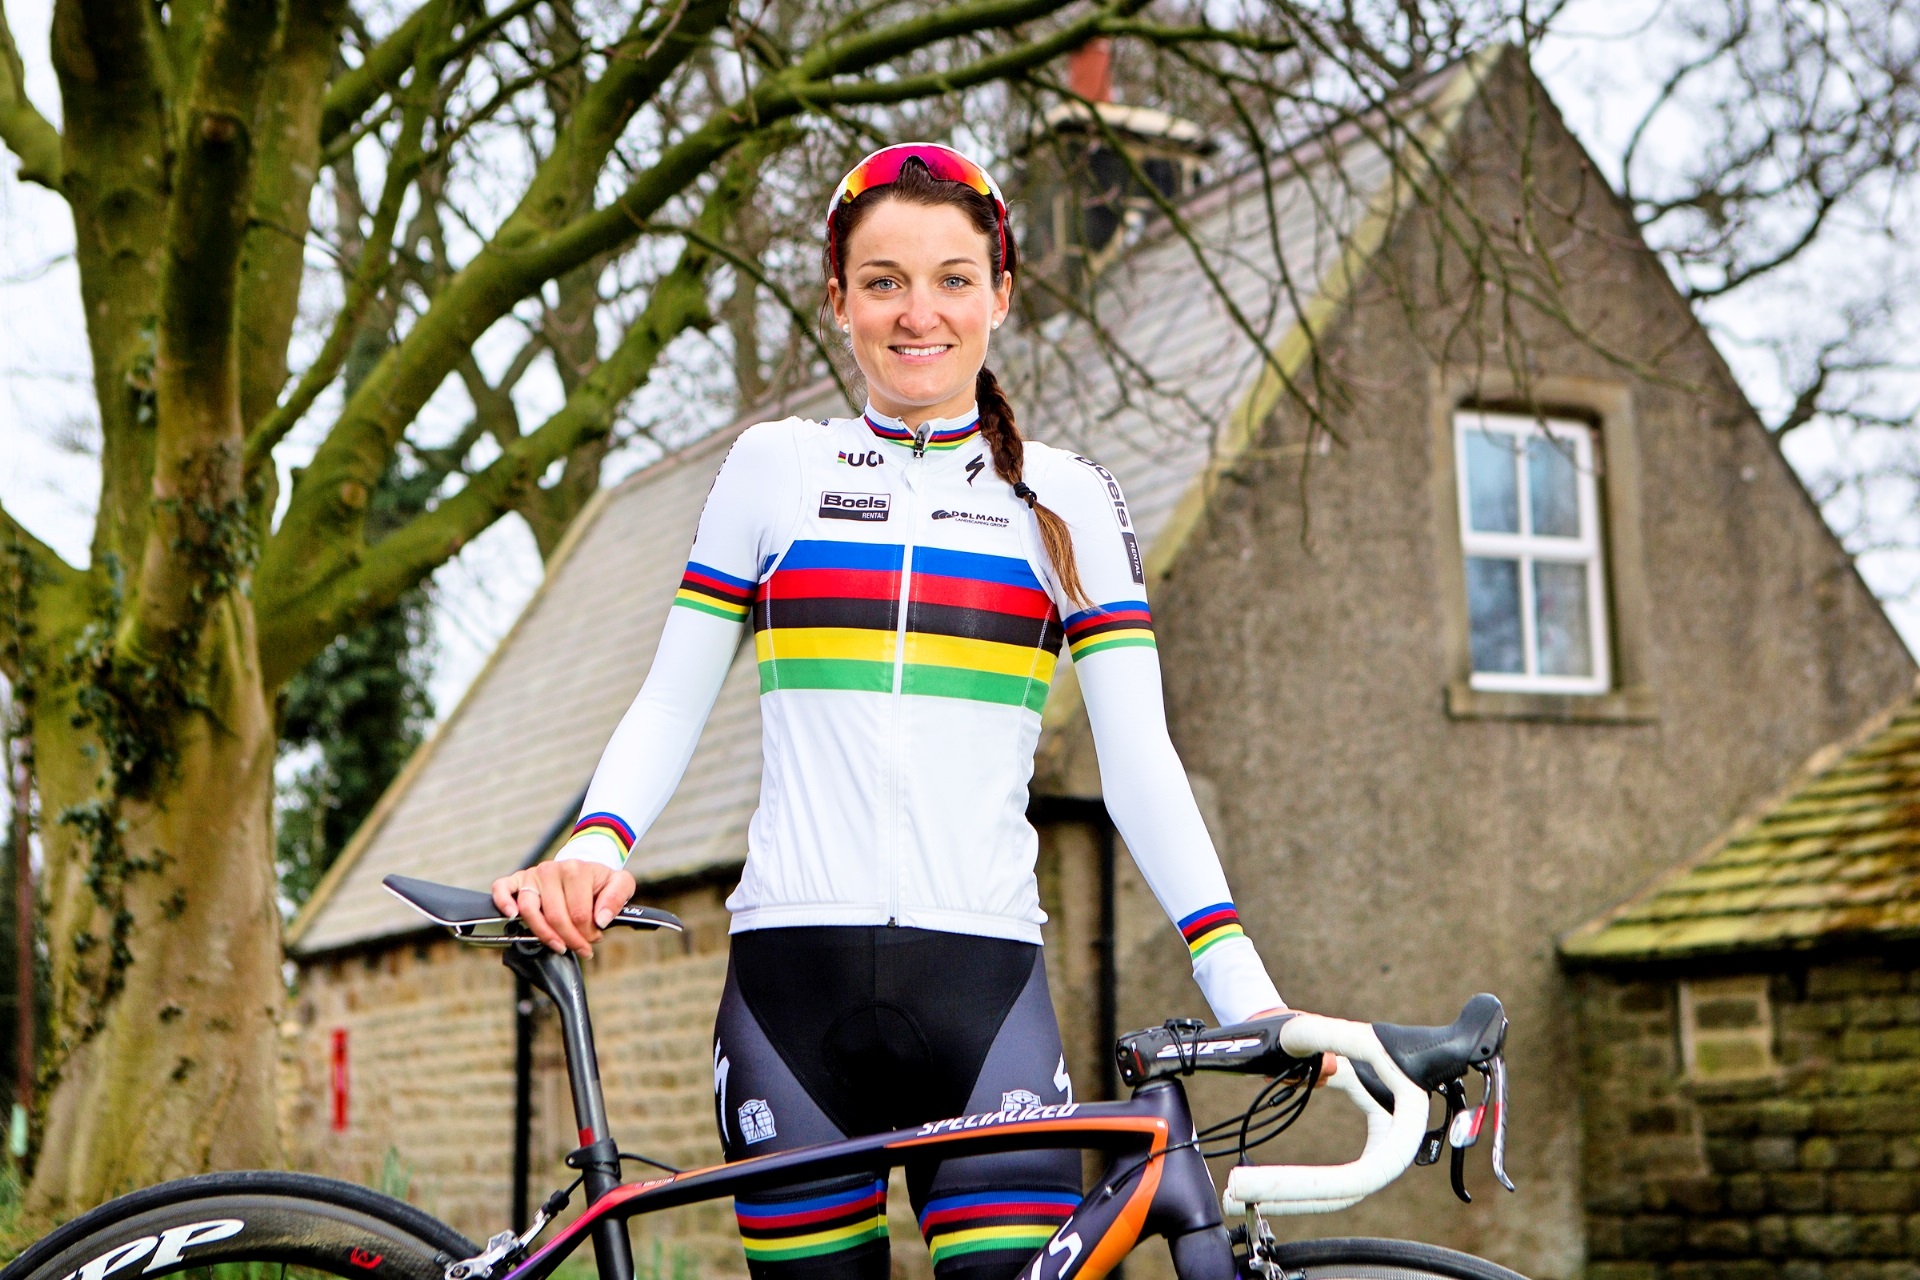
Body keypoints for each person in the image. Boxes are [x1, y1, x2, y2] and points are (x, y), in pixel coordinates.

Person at [493, 143, 1300, 1280]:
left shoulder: (1062, 499)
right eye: (883, 280)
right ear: (839, 301)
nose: (919, 311)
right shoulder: (772, 470)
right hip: (790, 1008)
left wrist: (1244, 988)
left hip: (989, 1006)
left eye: (954, 278)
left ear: (1001, 295)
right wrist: (596, 838)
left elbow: (1141, 765)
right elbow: (672, 698)